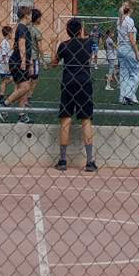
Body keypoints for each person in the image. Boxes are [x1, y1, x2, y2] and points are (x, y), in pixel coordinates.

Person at [54, 17, 100, 172]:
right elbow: (89, 50)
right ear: (80, 30)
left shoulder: (64, 45)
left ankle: (62, 160)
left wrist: (54, 46)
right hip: (84, 83)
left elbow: (54, 63)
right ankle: (90, 161)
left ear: (67, 31)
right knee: (86, 120)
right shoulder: (88, 43)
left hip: (68, 83)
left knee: (66, 119)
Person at [2, 5, 36, 123]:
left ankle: (21, 115)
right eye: (30, 15)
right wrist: (23, 61)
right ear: (26, 15)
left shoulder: (24, 28)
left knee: (23, 89)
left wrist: (29, 63)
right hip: (18, 62)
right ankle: (4, 105)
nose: (32, 17)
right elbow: (22, 45)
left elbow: (26, 47)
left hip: (22, 61)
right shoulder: (21, 28)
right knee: (25, 87)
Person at [115, 1, 139, 105]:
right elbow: (131, 39)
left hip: (120, 48)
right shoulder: (129, 20)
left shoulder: (119, 20)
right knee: (137, 71)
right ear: (130, 10)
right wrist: (137, 53)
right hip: (128, 48)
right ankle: (128, 95)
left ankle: (123, 97)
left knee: (124, 73)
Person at [0, 24, 14, 103]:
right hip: (4, 65)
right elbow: (4, 55)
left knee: (9, 79)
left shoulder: (6, 42)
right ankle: (1, 97)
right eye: (11, 32)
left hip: (4, 65)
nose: (12, 34)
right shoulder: (4, 42)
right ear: (8, 33)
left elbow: (7, 53)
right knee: (5, 81)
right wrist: (7, 67)